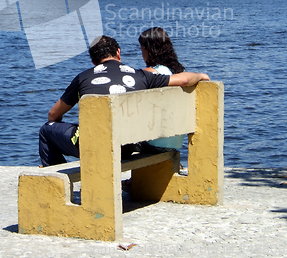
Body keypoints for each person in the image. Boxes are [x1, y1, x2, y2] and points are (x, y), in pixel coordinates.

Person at [39, 35, 210, 167]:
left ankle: (59, 182)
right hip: (127, 146)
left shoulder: (83, 77)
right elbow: (184, 80)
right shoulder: (141, 75)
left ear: (93, 61)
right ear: (118, 52)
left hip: (93, 145)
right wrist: (201, 75)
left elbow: (53, 114)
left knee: (47, 130)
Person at [139, 27, 190, 149]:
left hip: (155, 142)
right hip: (175, 141)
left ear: (148, 49)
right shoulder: (179, 71)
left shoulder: (151, 73)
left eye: (141, 48)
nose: (141, 53)